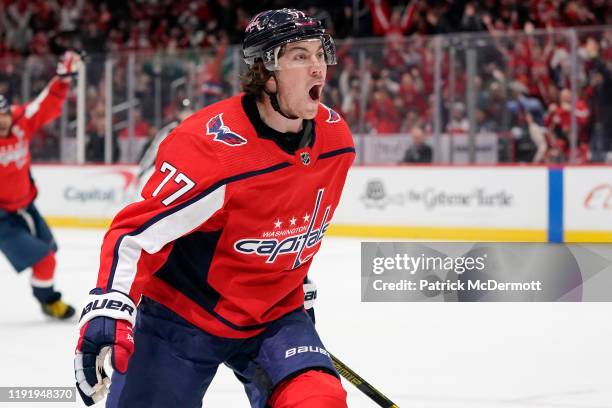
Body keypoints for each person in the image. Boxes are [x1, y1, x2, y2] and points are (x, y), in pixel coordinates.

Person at [74, 9, 355, 408]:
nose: (318, 69)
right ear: (266, 71)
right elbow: (135, 234)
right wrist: (110, 304)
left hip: (273, 315)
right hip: (183, 317)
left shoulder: (336, 139)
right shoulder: (210, 149)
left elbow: (291, 217)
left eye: (319, 53)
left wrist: (297, 279)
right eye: (299, 56)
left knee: (318, 401)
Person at [0, 50, 81, 319]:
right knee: (45, 258)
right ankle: (49, 301)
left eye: (4, 114)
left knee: (49, 256)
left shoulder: (21, 121)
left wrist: (64, 78)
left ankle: (47, 299)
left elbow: (45, 103)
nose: (2, 121)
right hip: (2, 218)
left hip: (25, 208)